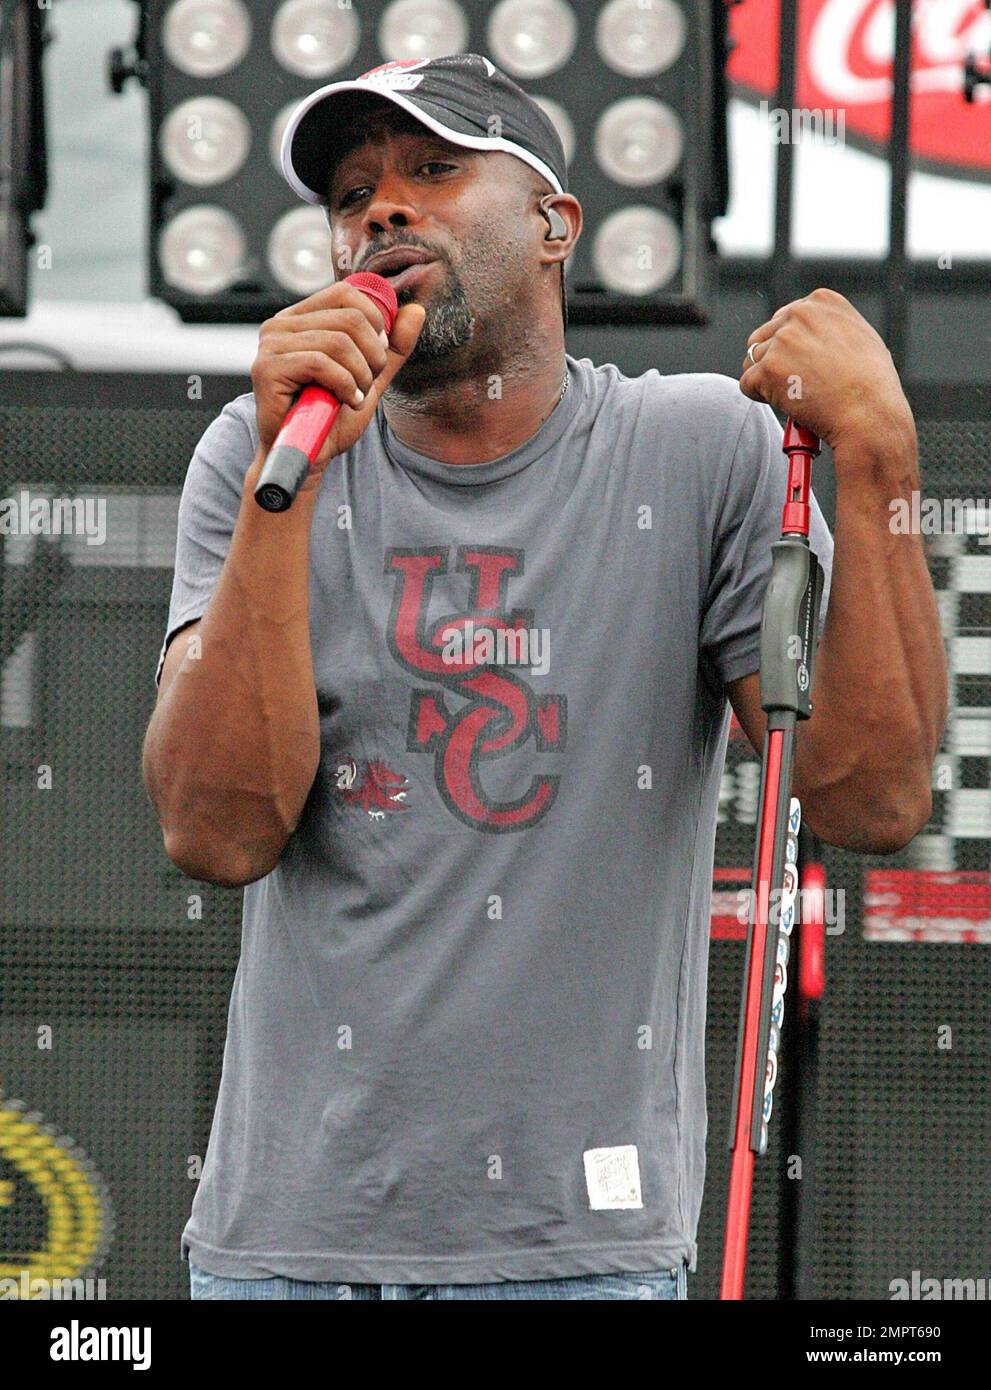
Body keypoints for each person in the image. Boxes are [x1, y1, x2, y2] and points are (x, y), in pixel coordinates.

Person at [142, 54, 946, 1301]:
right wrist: (277, 488)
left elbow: (874, 801)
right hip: (288, 1250)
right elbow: (215, 827)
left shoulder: (698, 451)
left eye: (433, 168)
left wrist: (883, 462)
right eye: (354, 192)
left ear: (558, 225)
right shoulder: (259, 456)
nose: (383, 211)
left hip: (583, 1250)